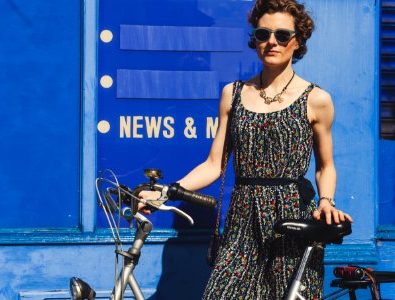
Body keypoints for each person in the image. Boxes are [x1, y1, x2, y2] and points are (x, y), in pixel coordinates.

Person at [141, 0, 353, 298]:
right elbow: (214, 164)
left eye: (282, 35)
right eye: (263, 33)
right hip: (242, 217)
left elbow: (325, 166)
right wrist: (167, 192)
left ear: (298, 40)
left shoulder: (316, 99)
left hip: (291, 213)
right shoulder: (234, 93)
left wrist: (326, 201)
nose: (271, 42)